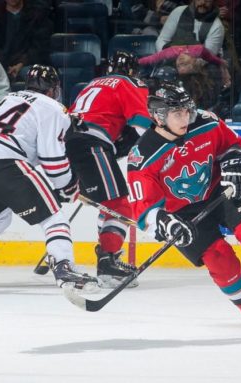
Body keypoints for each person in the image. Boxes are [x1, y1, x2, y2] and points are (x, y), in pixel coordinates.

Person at [126, 82, 241, 338]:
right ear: (158, 116)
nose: (186, 117)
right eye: (177, 113)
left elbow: (233, 145)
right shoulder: (142, 156)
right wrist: (166, 223)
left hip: (220, 191)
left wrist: (236, 158)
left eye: (187, 111)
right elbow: (144, 209)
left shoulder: (206, 121)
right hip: (183, 215)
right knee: (221, 261)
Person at [0, 64, 98, 290]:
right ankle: (64, 267)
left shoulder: (9, 98)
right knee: (54, 217)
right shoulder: (54, 108)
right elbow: (52, 160)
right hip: (6, 163)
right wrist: (68, 185)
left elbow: (27, 140)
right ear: (53, 89)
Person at [66, 50, 152, 288]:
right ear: (133, 71)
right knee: (121, 205)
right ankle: (108, 264)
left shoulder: (91, 84)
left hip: (69, 143)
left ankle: (107, 255)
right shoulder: (128, 83)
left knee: (108, 202)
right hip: (91, 144)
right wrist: (157, 144)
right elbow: (141, 122)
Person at [0, 0, 53, 81]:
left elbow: (40, 47)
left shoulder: (37, 15)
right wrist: (3, 65)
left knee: (34, 76)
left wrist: (22, 63)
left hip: (28, 64)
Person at [156, 0, 225, 56]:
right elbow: (162, 39)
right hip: (171, 57)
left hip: (198, 66)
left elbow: (208, 55)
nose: (203, 3)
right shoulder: (178, 12)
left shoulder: (217, 26)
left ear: (213, 2)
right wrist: (165, 55)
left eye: (207, 0)